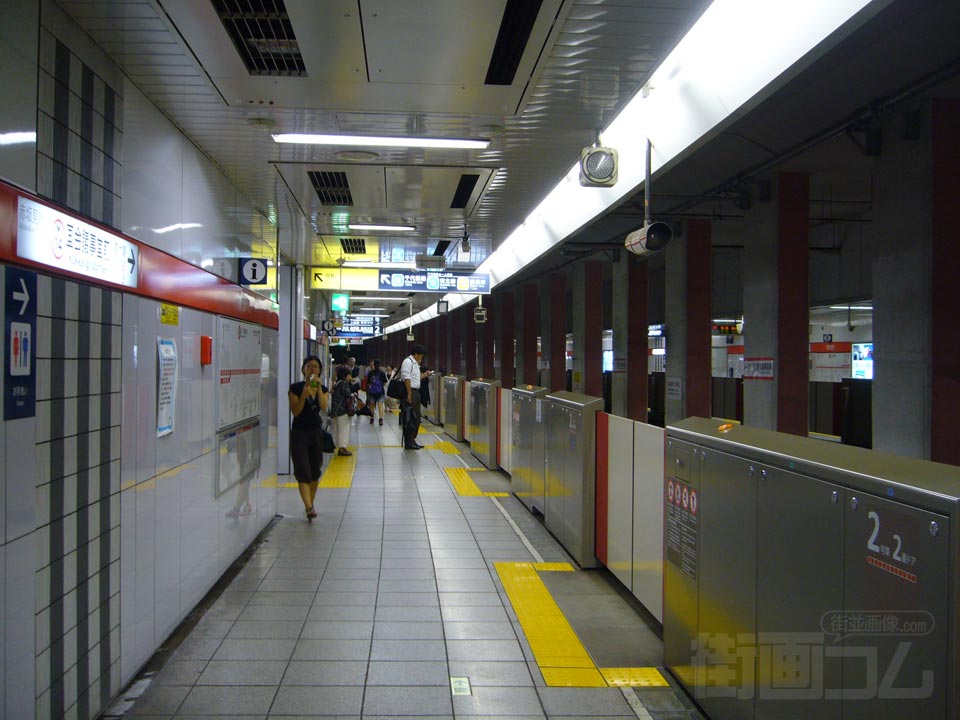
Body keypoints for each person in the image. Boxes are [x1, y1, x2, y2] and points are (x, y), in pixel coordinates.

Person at [288, 355, 328, 520]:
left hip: (316, 433)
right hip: (299, 433)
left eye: (316, 367)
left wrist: (318, 389)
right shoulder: (295, 388)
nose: (313, 369)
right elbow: (296, 411)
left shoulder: (323, 389)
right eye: (309, 366)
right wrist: (304, 394)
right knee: (302, 470)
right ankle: (309, 506)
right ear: (303, 369)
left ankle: (310, 504)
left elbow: (324, 407)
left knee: (315, 470)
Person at [400, 344, 428, 449]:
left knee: (416, 417)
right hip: (410, 392)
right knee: (410, 418)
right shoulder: (408, 362)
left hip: (415, 392)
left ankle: (412, 440)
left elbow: (415, 379)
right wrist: (409, 394)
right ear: (416, 354)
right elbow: (407, 379)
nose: (422, 358)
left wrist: (425, 375)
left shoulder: (415, 363)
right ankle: (409, 442)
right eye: (421, 355)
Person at [329, 365, 354, 456]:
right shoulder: (344, 383)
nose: (350, 377)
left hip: (334, 411)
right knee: (344, 429)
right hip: (343, 410)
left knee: (336, 430)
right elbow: (348, 395)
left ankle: (337, 447)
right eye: (348, 375)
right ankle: (342, 448)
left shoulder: (337, 383)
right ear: (345, 376)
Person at [365, 359, 388, 426]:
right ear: (380, 365)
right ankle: (380, 419)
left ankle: (372, 418)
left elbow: (368, 383)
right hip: (380, 392)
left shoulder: (370, 373)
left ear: (374, 365)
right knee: (380, 406)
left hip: (372, 392)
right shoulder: (382, 373)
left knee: (371, 406)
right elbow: (385, 383)